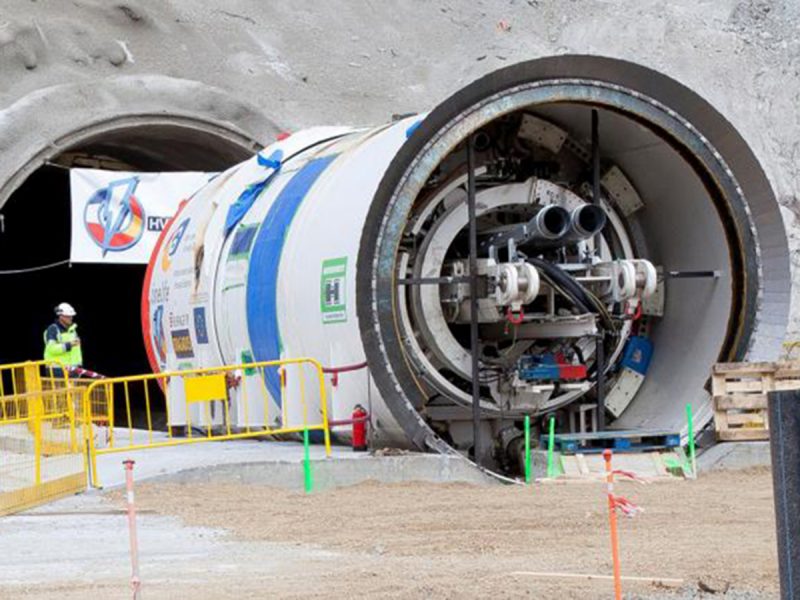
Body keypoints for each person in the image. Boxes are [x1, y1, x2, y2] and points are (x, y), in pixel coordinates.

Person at [43, 302, 83, 369]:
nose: (71, 318)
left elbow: (76, 351)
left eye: (71, 316)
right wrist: (69, 345)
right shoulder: (53, 329)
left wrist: (78, 365)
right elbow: (51, 349)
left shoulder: (72, 330)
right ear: (61, 316)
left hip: (73, 370)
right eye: (68, 316)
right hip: (57, 370)